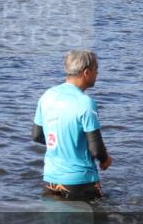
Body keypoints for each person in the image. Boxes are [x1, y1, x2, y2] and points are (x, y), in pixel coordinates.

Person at [32, 50, 112, 200]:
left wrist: (63, 143)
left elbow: (37, 135)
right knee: (98, 222)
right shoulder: (86, 103)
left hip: (51, 179)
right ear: (86, 72)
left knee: (57, 222)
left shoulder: (47, 96)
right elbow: (96, 149)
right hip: (80, 182)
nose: (97, 74)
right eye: (96, 70)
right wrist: (105, 160)